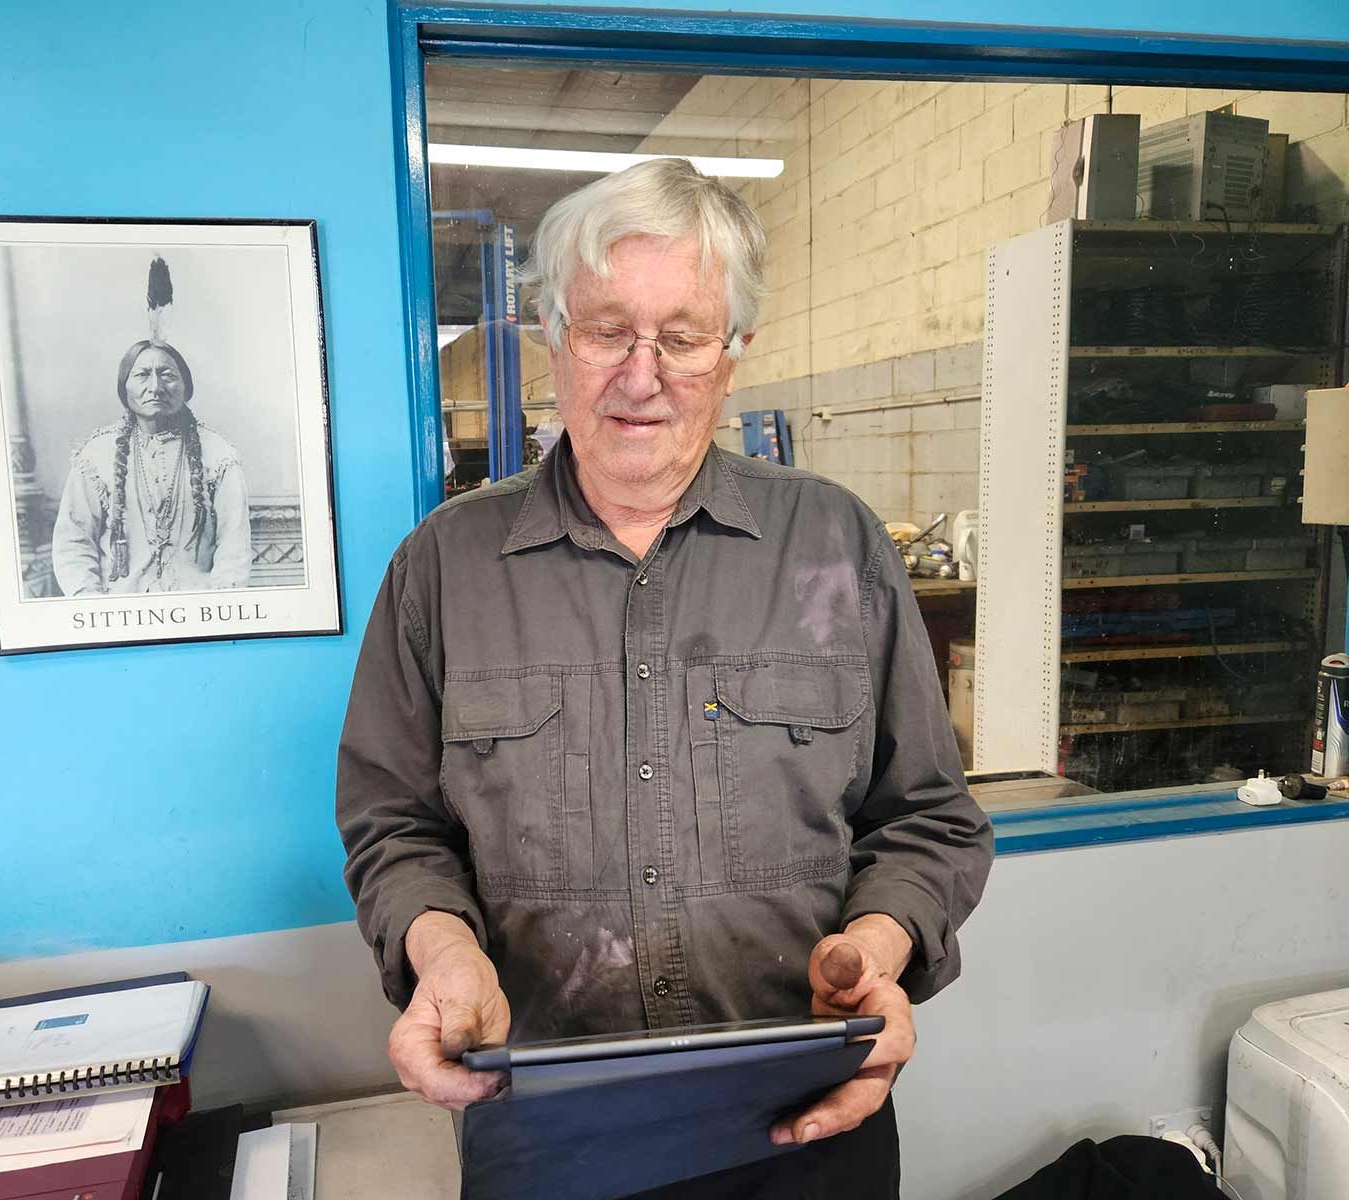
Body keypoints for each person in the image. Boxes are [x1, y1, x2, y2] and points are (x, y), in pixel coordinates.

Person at [336, 157, 993, 1196]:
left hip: (805, 1124)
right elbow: (394, 826)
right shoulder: (443, 568)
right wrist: (443, 953)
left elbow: (927, 817)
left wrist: (874, 945)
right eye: (606, 331)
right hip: (544, 1133)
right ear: (551, 338)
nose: (641, 378)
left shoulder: (836, 545)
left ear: (732, 354)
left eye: (682, 338)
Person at [51, 339, 251, 595]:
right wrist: (92, 603)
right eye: (142, 375)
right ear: (124, 388)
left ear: (186, 387)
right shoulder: (97, 455)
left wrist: (219, 603)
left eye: (167, 375)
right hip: (120, 608)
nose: (155, 387)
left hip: (198, 606)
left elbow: (234, 549)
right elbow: (73, 542)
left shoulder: (219, 455)